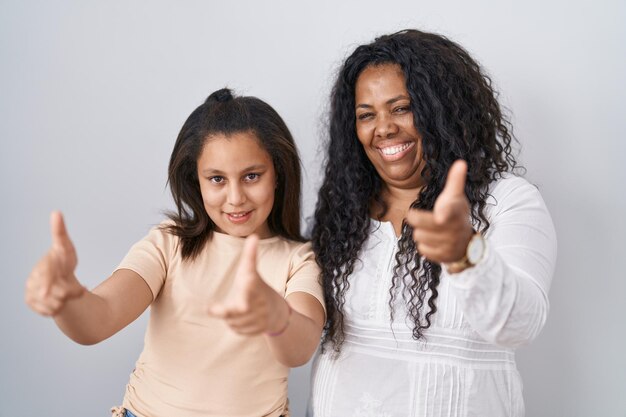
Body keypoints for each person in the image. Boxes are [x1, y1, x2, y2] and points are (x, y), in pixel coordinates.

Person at [24, 88, 326, 417]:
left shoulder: (299, 261)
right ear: (196, 181)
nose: (236, 197)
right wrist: (67, 300)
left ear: (278, 174)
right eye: (217, 179)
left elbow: (302, 346)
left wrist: (275, 316)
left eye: (251, 176)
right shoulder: (169, 244)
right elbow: (99, 319)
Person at [307, 29, 557, 417]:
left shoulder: (506, 201)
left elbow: (520, 326)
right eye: (366, 115)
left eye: (402, 108)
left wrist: (466, 254)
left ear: (441, 109)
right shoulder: (342, 212)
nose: (384, 128)